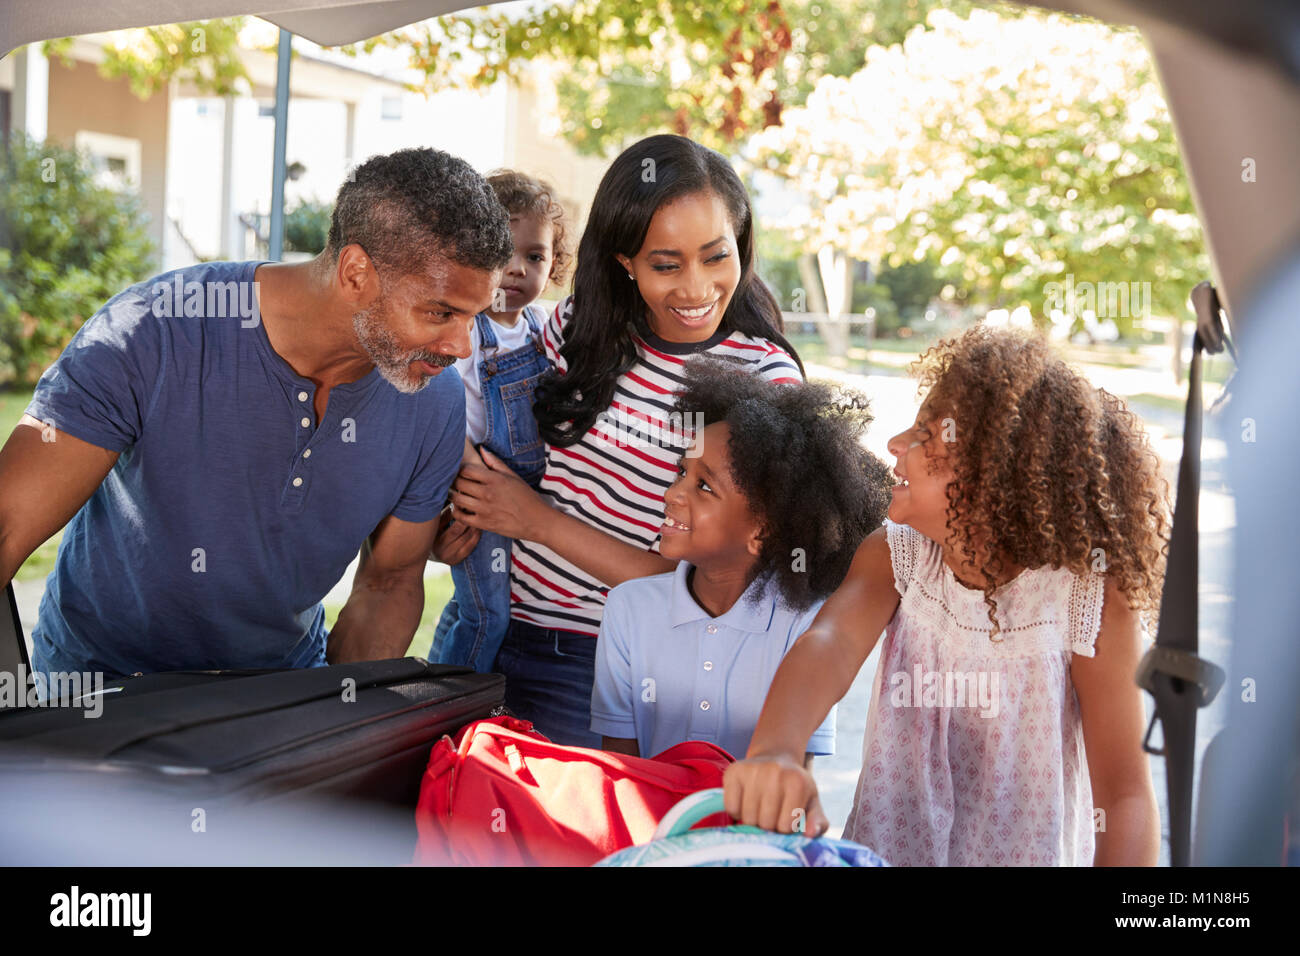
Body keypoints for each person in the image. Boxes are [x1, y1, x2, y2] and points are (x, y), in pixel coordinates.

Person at [0, 147, 513, 680]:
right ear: (356, 272)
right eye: (441, 312)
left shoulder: (436, 398)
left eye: (475, 315)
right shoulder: (152, 331)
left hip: (275, 694)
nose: (462, 346)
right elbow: (7, 525)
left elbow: (388, 583)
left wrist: (335, 717)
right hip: (101, 687)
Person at [723, 325, 1167, 866]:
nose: (895, 445)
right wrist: (777, 749)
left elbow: (1124, 797)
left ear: (996, 478)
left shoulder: (1085, 598)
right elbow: (830, 642)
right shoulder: (898, 555)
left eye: (927, 436)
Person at [446, 134, 803, 747]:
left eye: (717, 256)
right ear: (623, 261)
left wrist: (536, 522)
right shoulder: (577, 327)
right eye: (666, 264)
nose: (695, 289)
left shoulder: (765, 382)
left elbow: (709, 583)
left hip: (610, 663)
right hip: (490, 632)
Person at [591, 357, 893, 760]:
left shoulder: (805, 626)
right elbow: (619, 769)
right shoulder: (627, 608)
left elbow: (791, 784)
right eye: (682, 472)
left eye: (703, 486)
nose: (672, 494)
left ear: (762, 530)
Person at [430, 171, 571, 671]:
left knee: (481, 604)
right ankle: (451, 707)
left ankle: (440, 677)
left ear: (555, 265)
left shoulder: (544, 327)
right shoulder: (466, 332)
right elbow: (443, 417)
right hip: (483, 493)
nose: (516, 270)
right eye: (501, 254)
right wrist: (479, 482)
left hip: (533, 496)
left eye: (534, 257)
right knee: (487, 614)